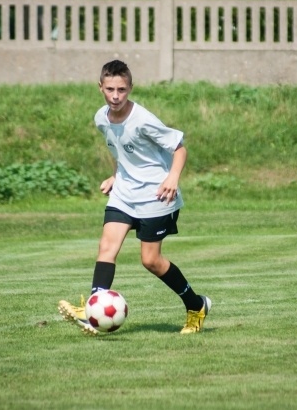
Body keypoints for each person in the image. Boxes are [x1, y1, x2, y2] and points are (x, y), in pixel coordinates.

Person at [58, 60, 210, 335]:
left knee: (151, 260)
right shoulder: (101, 118)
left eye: (122, 90)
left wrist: (172, 178)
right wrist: (116, 175)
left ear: (130, 88)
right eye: (110, 89)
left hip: (156, 195)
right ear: (100, 87)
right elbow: (121, 151)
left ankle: (196, 305)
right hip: (124, 194)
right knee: (107, 247)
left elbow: (179, 149)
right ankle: (93, 309)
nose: (116, 96)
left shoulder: (143, 120)